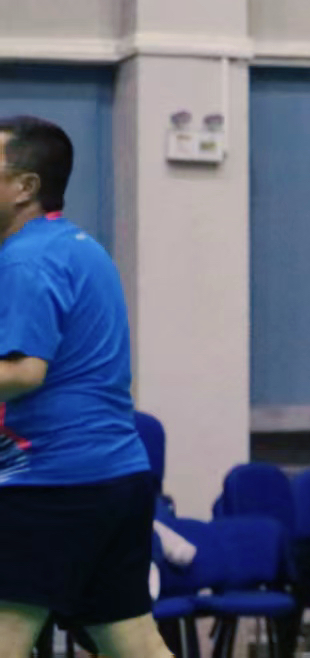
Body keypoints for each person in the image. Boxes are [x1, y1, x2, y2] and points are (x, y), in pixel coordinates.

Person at [0, 115, 173, 658]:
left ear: (25, 187)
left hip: (51, 483)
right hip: (116, 479)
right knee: (133, 642)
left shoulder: (25, 258)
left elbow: (23, 372)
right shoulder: (78, 246)